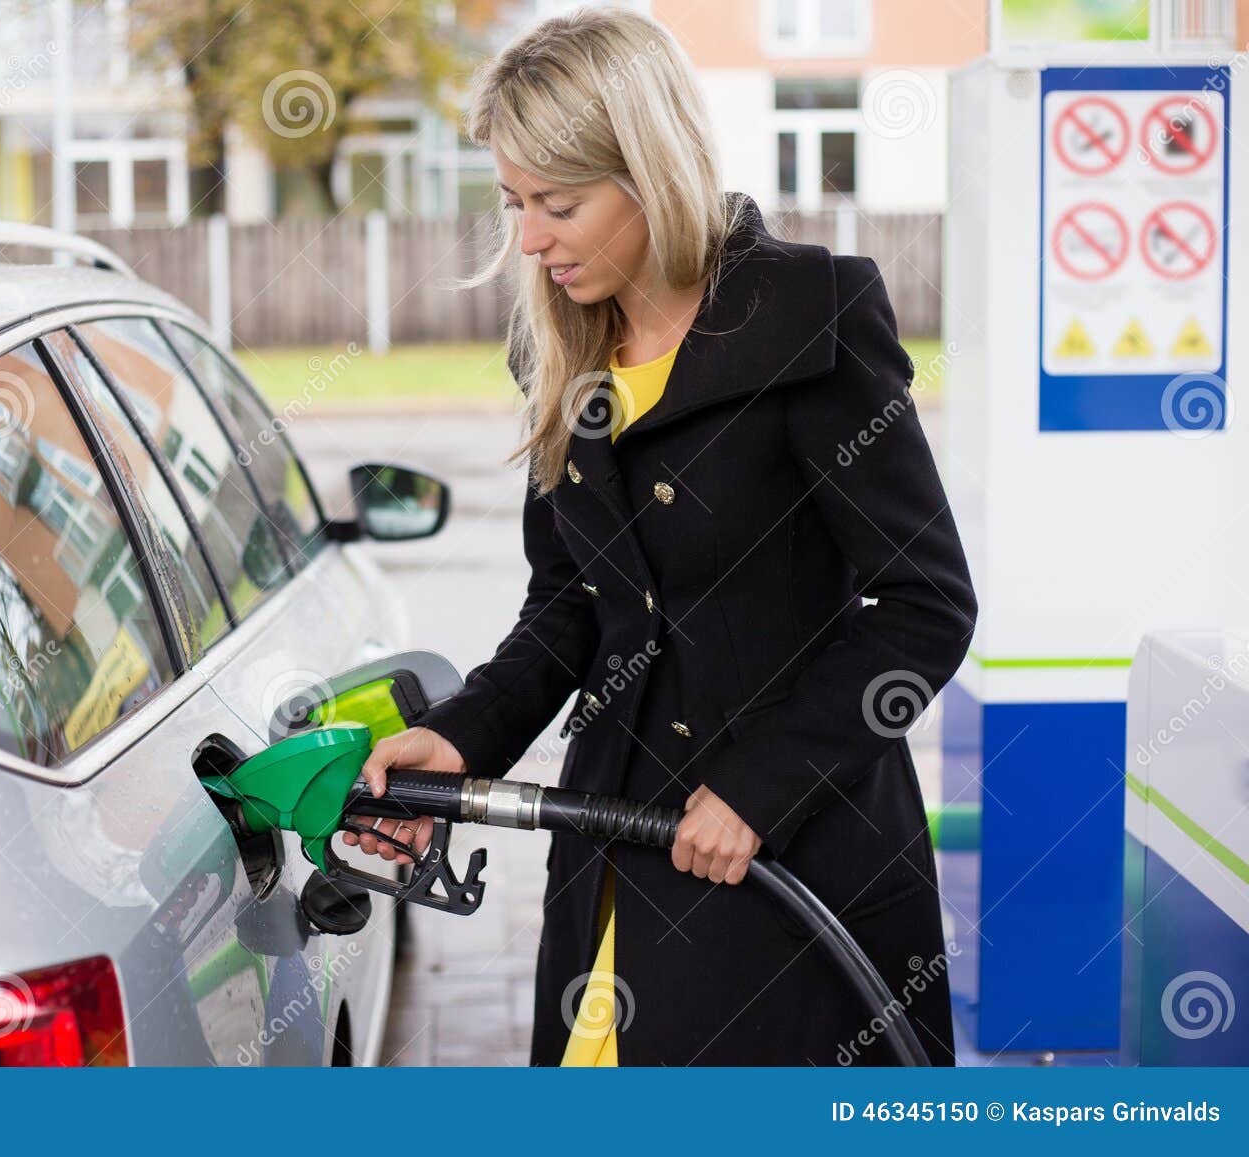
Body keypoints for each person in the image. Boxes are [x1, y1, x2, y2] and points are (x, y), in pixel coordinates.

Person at [341, 5, 976, 1067]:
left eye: (558, 203)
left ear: (650, 168)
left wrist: (761, 786)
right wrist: (459, 738)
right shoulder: (558, 349)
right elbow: (568, 608)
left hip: (786, 870)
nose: (528, 238)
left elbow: (923, 605)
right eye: (512, 203)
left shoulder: (810, 314)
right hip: (613, 852)